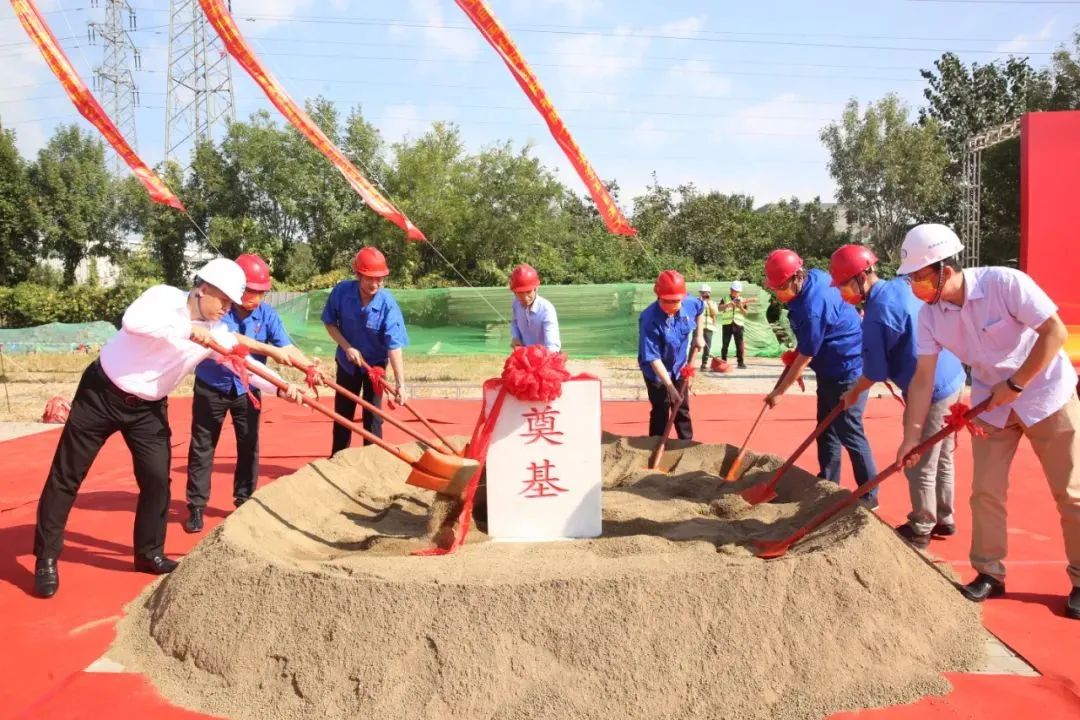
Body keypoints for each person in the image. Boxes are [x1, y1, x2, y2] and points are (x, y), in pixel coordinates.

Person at [31, 258, 305, 599]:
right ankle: (45, 559)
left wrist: (282, 387)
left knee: (157, 480)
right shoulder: (163, 298)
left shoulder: (217, 331)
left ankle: (149, 554)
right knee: (67, 476)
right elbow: (133, 321)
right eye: (222, 299)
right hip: (101, 395)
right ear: (203, 288)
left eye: (231, 303)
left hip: (147, 410)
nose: (226, 308)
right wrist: (189, 330)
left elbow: (242, 364)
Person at [895, 224, 1080, 619]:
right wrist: (911, 436)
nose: (915, 286)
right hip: (991, 406)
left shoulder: (1004, 283)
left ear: (944, 268)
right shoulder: (930, 316)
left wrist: (1016, 383)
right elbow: (923, 376)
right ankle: (989, 572)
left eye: (919, 277)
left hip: (1048, 395)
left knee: (1071, 492)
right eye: (910, 279)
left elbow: (1055, 332)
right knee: (985, 492)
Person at [829, 244, 967, 548]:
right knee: (942, 454)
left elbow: (875, 371)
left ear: (861, 277)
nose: (842, 293)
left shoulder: (876, 314)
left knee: (919, 460)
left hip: (930, 387)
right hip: (953, 375)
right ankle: (945, 518)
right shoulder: (900, 286)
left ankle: (921, 526)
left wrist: (852, 394)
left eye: (843, 285)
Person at [183, 254, 316, 534]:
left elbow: (286, 347)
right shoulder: (219, 310)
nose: (253, 298)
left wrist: (310, 368)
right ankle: (196, 506)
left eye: (260, 292)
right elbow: (236, 343)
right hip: (212, 385)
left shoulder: (268, 315)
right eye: (249, 291)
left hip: (249, 388)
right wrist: (270, 351)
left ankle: (244, 499)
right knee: (203, 446)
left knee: (249, 444)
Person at [763, 249, 879, 508]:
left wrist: (781, 391)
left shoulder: (812, 307)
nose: (778, 292)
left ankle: (870, 496)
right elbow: (805, 349)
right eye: (775, 287)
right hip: (828, 368)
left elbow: (805, 354)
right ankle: (827, 483)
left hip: (848, 368)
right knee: (825, 430)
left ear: (796, 277)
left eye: (781, 286)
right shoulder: (814, 277)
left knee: (849, 430)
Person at [322, 247, 409, 455]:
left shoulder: (388, 303)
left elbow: (394, 345)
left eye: (380, 279)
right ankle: (338, 460)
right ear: (358, 275)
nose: (375, 284)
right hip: (347, 361)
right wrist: (347, 347)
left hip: (375, 366)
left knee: (373, 415)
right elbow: (330, 323)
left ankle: (372, 460)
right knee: (343, 414)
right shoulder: (342, 292)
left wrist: (400, 385)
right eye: (370, 278)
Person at [638, 270, 705, 440]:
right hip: (656, 371)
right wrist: (669, 387)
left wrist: (699, 335)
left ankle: (686, 443)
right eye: (668, 301)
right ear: (658, 296)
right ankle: (656, 444)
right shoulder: (649, 318)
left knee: (682, 406)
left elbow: (700, 311)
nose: (674, 305)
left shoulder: (689, 303)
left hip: (680, 366)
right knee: (661, 407)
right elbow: (653, 358)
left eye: (677, 301)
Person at [508, 263, 561, 351]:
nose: (525, 298)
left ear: (536, 288)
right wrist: (515, 337)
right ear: (514, 292)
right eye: (520, 293)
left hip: (546, 357)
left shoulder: (546, 309)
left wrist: (540, 360)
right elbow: (514, 323)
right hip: (525, 356)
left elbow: (552, 346)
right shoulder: (516, 304)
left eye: (528, 291)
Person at [720, 280, 751, 369]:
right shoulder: (725, 298)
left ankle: (740, 363)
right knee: (725, 344)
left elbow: (746, 313)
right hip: (727, 324)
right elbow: (719, 308)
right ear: (731, 290)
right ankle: (723, 361)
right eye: (734, 291)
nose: (736, 293)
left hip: (738, 325)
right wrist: (729, 304)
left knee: (739, 344)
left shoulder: (742, 300)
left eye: (738, 291)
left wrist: (740, 307)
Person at [697, 284, 718, 371]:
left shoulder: (712, 303)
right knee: (695, 344)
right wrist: (700, 301)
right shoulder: (697, 302)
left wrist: (709, 303)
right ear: (700, 293)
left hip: (708, 327)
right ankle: (690, 363)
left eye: (707, 293)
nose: (705, 294)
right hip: (698, 327)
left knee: (707, 346)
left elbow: (715, 313)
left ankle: (704, 364)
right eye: (703, 293)